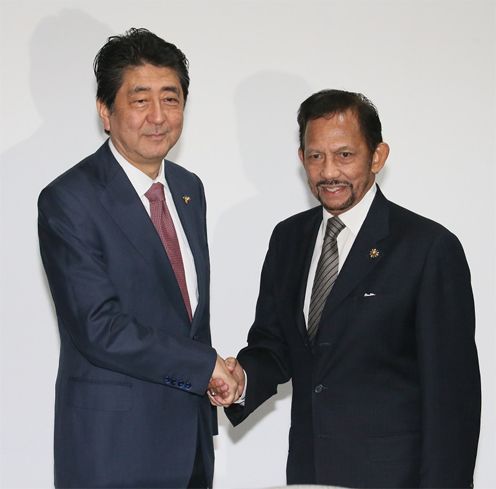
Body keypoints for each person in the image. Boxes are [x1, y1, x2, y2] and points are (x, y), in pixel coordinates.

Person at [210, 89, 481, 488]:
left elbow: (452, 397)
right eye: (316, 156)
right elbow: (274, 346)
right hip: (309, 473)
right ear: (301, 158)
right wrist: (240, 381)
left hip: (395, 478)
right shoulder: (289, 239)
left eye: (345, 155)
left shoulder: (428, 248)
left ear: (378, 156)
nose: (328, 171)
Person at [38, 28, 238, 489]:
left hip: (189, 445)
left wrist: (208, 377)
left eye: (170, 99)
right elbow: (98, 327)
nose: (158, 116)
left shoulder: (189, 190)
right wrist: (203, 365)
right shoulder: (69, 199)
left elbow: (184, 313)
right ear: (105, 111)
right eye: (140, 99)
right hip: (112, 450)